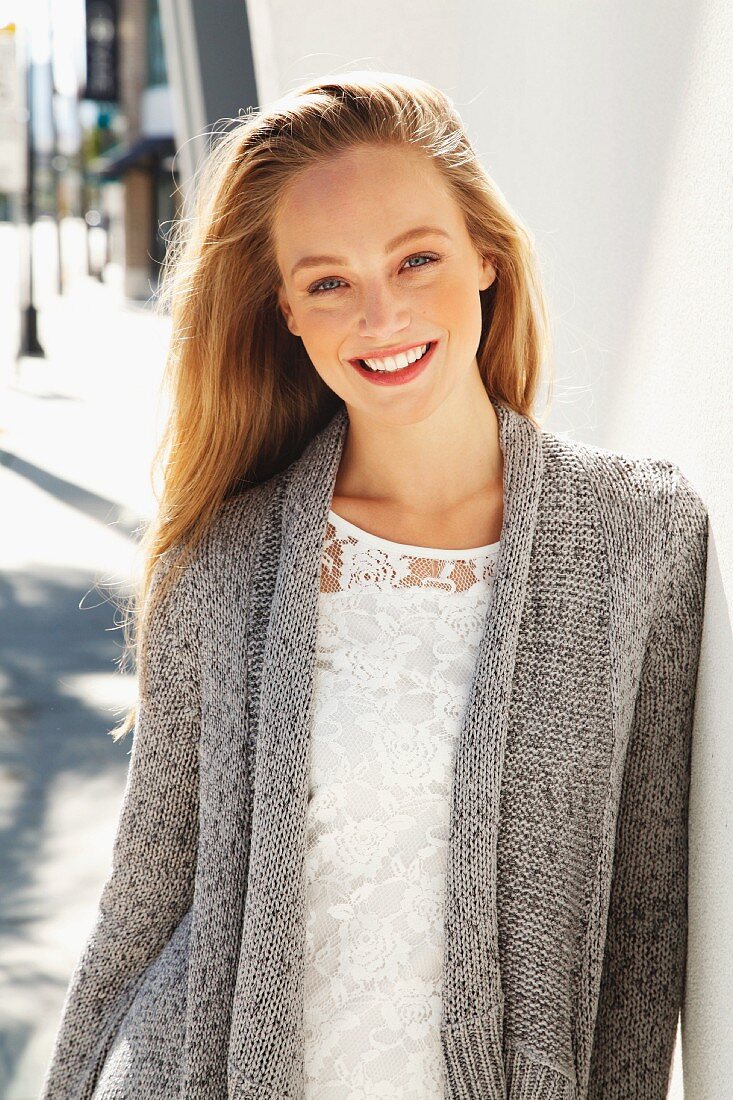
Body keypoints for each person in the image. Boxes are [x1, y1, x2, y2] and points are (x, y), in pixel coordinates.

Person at [39, 71, 709, 1100]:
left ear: (485, 254)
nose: (382, 313)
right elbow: (144, 898)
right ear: (288, 314)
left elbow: (645, 922)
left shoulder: (638, 540)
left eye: (415, 258)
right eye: (329, 282)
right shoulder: (219, 565)